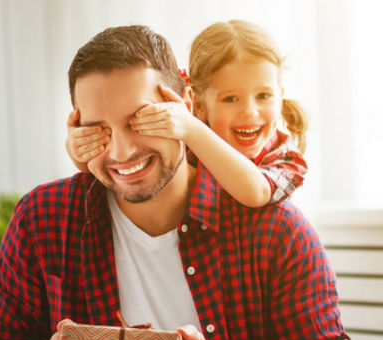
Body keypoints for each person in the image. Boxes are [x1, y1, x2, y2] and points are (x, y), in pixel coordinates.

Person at [0, 24, 360, 340]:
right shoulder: (45, 218)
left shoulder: (278, 232)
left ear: (186, 106)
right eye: (99, 129)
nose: (123, 151)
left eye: (142, 119)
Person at [65, 20, 308, 208]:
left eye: (264, 96)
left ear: (280, 94)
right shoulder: (181, 138)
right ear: (199, 105)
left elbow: (256, 194)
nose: (250, 111)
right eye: (230, 98)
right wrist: (80, 151)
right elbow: (121, 161)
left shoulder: (284, 158)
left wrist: (191, 128)